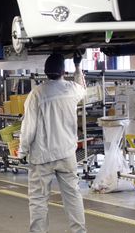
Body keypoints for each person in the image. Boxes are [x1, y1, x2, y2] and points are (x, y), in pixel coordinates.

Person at [19, 53, 87, 233]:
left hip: (42, 157)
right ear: (64, 71)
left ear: (45, 71)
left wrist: (22, 151)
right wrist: (78, 66)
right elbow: (82, 87)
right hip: (66, 154)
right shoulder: (72, 89)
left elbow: (29, 127)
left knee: (39, 200)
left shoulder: (36, 94)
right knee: (73, 196)